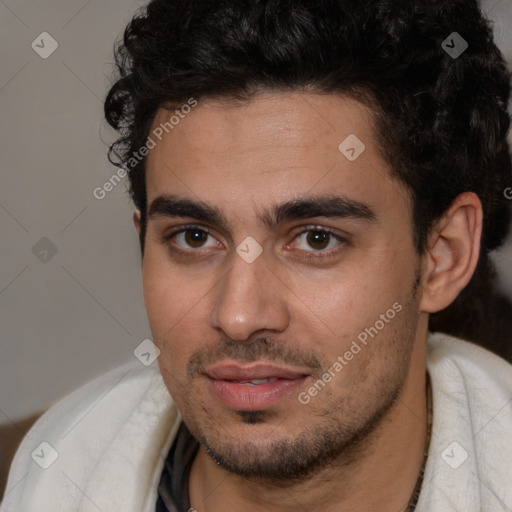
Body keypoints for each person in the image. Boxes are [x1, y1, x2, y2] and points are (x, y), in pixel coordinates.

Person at [2, 0, 512, 510]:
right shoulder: (35, 476)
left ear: (443, 255)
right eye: (194, 238)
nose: (239, 316)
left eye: (316, 239)